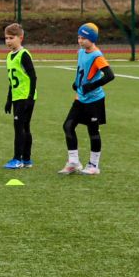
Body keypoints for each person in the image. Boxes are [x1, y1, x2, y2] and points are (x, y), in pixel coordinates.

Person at [59, 23, 115, 175]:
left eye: (84, 38)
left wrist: (91, 86)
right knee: (68, 126)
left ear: (92, 39)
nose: (80, 41)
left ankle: (93, 165)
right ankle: (73, 162)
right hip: (80, 98)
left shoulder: (97, 56)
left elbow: (110, 75)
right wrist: (76, 83)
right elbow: (81, 70)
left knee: (93, 131)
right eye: (78, 37)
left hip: (94, 101)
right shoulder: (81, 52)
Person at [2, 23, 38, 169]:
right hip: (17, 97)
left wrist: (30, 97)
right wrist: (9, 100)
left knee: (19, 127)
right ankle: (27, 159)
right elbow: (12, 81)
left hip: (25, 97)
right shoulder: (9, 56)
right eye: (6, 38)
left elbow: (33, 77)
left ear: (20, 38)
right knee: (24, 127)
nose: (8, 41)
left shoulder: (23, 55)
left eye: (11, 38)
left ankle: (18, 159)